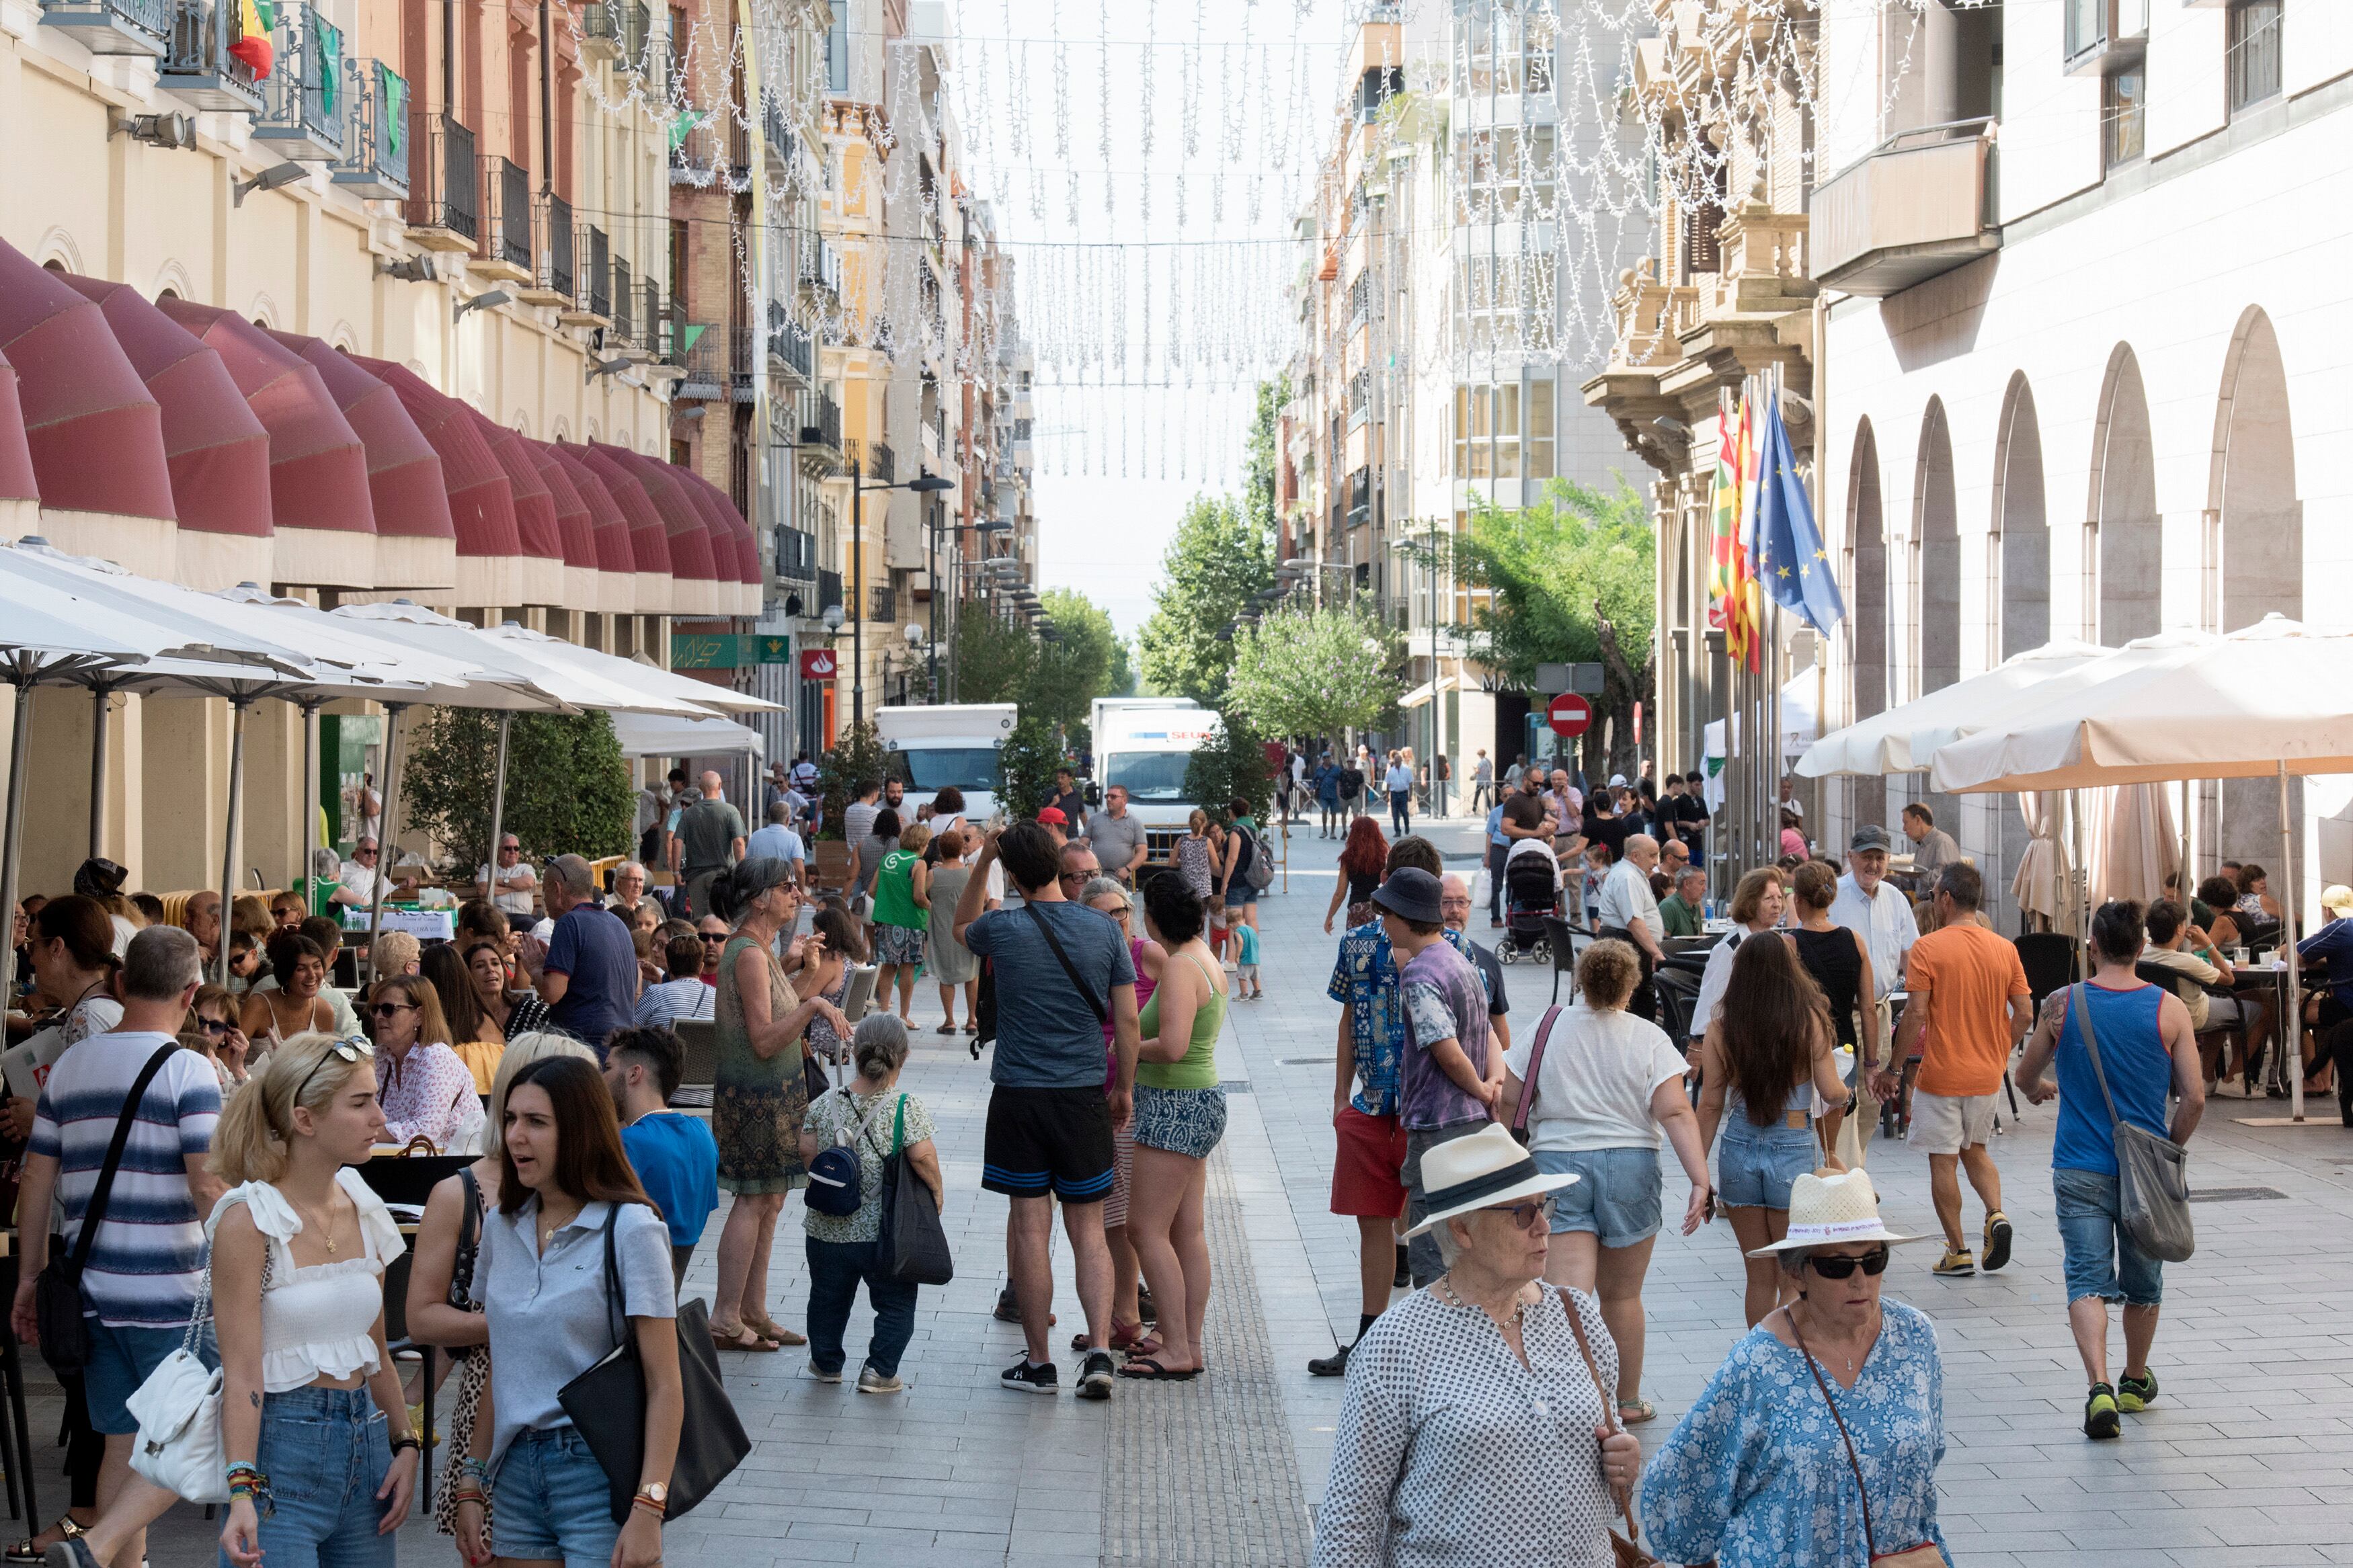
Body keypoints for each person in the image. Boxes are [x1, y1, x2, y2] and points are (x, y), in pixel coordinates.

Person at [1312, 1122, 1641, 1568]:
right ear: (1463, 1231)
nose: (1544, 1226)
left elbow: (1608, 1487)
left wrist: (1623, 1465)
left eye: (1545, 1207)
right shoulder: (1396, 1344)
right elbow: (1351, 1518)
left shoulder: (1576, 1315)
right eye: (1523, 1213)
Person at [11, 927, 225, 1568]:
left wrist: (29, 1280)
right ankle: (102, 1550)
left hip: (93, 1298)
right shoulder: (190, 1069)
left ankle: (113, 1563)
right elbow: (208, 1183)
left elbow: (37, 1179)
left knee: (120, 1445)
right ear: (192, 993)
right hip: (174, 1297)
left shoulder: (70, 1067)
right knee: (200, 1432)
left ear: (122, 982)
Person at [1642, 1169, 1948, 1568]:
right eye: (1838, 1267)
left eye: (1874, 1260)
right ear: (1796, 1272)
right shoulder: (1757, 1363)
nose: (1860, 1280)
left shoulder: (1915, 1337)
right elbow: (1683, 1477)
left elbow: (1930, 1450)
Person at [450, 1056, 682, 1568]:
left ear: (578, 1129)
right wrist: (472, 1480)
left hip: (598, 1471)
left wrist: (649, 1505)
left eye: (536, 1122)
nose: (515, 1136)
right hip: (515, 1476)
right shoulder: (502, 1227)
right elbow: (503, 1362)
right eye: (509, 1118)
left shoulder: (631, 1227)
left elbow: (665, 1381)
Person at [204, 1032, 420, 1568]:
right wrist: (240, 1491)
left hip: (366, 1455)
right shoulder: (248, 1219)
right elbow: (243, 1373)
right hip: (280, 1458)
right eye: (360, 1102)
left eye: (374, 1097)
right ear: (305, 1119)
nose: (380, 1117)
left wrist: (406, 1442)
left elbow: (376, 1349)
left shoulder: (362, 1201)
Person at [954, 821, 1142, 1399]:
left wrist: (983, 856)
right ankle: (1102, 1354)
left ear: (1012, 874)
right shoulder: (1103, 928)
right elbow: (1128, 1021)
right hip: (1085, 1094)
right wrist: (1124, 1089)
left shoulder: (1002, 927)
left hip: (1019, 1096)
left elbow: (959, 925)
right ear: (1060, 865)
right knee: (1089, 1229)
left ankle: (1039, 1362)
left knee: (1031, 1229)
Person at [2015, 899, 2205, 1440]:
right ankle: (2134, 1378)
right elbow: (2194, 1096)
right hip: (2147, 1166)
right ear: (2143, 946)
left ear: (2091, 945)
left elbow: (2025, 1074)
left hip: (2079, 1162)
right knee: (2145, 1281)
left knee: (2085, 1278)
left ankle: (2097, 1385)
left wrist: (2040, 1090)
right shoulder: (2169, 1009)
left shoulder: (2062, 1003)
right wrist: (2168, 1147)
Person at [1503, 939, 1709, 1426]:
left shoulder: (1546, 1027)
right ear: (1633, 985)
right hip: (1631, 1166)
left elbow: (1509, 1102)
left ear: (1580, 980)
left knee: (1567, 1296)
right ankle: (1626, 1401)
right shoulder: (1648, 1036)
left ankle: (1567, 1399)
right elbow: (1676, 1109)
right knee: (1623, 1295)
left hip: (1558, 1166)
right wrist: (1700, 1179)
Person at [403, 1032, 596, 1538]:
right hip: (496, 1397)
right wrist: (512, 1319)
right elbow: (421, 1317)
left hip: (589, 1400)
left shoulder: (602, 1196)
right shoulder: (461, 1193)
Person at [1312, 841, 1472, 1376]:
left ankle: (1413, 1336)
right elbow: (1347, 1017)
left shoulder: (1444, 951)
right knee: (1390, 1222)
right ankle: (1379, 1335)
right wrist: (1339, 1098)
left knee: (1411, 1223)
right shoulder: (1372, 944)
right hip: (1389, 1105)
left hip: (1414, 1105)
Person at [709, 858, 850, 1352]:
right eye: (788, 886)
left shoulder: (762, 950)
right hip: (754, 1097)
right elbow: (765, 1039)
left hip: (772, 1095)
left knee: (770, 1199)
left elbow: (777, 1010)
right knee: (753, 1198)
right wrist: (814, 1004)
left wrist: (800, 971)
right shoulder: (748, 953)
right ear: (758, 898)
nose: (798, 894)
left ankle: (753, 1309)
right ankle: (726, 1315)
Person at [1884, 862, 2032, 1280]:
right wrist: (2000, 1048)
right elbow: (2024, 1012)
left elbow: (1914, 1013)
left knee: (1943, 1162)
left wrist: (1896, 1067)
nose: (1932, 902)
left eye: (1933, 895)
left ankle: (1958, 1250)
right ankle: (1996, 1214)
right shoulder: (2006, 949)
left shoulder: (1928, 949)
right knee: (1977, 1151)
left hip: (1941, 1075)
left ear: (1946, 898)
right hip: (1986, 1075)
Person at [1695, 933, 1852, 1325]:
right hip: (1794, 1147)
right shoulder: (1808, 1021)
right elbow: (1831, 1091)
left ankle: (1759, 1360)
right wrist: (1847, 1095)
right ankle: (1789, 1358)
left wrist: (1698, 1173)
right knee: (1791, 1275)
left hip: (1739, 1147)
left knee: (1757, 1277)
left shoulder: (1721, 1027)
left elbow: (1711, 1104)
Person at [795, 1014, 943, 1394]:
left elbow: (808, 1154)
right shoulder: (905, 1107)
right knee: (895, 1303)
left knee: (827, 1300)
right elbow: (923, 1158)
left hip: (827, 1228)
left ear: (855, 1054)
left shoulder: (825, 1102)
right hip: (884, 1232)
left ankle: (826, 1363)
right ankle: (880, 1370)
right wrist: (937, 1193)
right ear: (903, 1057)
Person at [1119, 876, 1229, 1381]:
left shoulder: (1182, 967)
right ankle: (1184, 1339)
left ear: (1154, 917)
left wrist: (1126, 1050)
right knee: (1187, 1230)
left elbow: (1174, 1044)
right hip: (1196, 1099)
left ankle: (1178, 1348)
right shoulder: (1203, 956)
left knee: (1144, 1227)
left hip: (1175, 1103)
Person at [1380, 866, 1505, 1290]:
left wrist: (1479, 1086)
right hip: (1472, 1121)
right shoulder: (1458, 959)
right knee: (1469, 1240)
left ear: (1403, 916)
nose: (1383, 923)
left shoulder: (1419, 972)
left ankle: (1442, 1345)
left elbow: (1444, 1047)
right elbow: (1489, 1031)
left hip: (1438, 1125)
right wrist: (1494, 1084)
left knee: (1436, 1252)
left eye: (1387, 914)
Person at [1075, 878, 1160, 1354]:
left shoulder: (1149, 955)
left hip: (1135, 1097)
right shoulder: (1085, 955)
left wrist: (1148, 1052)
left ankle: (1134, 1316)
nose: (1115, 922)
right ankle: (1121, 1313)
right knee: (1108, 1213)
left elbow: (1192, 1006)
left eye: (1121, 912)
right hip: (1093, 1094)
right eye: (1103, 915)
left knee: (1130, 1214)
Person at [606, 1025, 721, 1290]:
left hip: (625, 1294)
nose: (603, 1078)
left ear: (634, 1074)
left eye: (608, 1068)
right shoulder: (702, 1134)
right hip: (668, 1289)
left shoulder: (629, 1144)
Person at [1788, 860, 1880, 1163]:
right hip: (1844, 1048)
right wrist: (1871, 1064)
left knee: (1801, 1140)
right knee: (1831, 1145)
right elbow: (1868, 1008)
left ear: (1798, 900)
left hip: (1799, 1050)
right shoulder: (1855, 941)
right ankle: (1842, 1199)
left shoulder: (1789, 944)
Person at [2141, 897, 2256, 1091]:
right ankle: (2232, 1079)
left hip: (2153, 1013)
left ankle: (2208, 1079)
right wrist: (2209, 944)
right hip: (2192, 1015)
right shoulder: (2188, 962)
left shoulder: (2141, 954)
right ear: (2179, 929)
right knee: (2263, 1008)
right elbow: (2229, 979)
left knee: (2223, 1007)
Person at [532, 853, 638, 1059]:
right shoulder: (618, 923)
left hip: (583, 1050)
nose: (544, 898)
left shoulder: (569, 923)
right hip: (620, 1050)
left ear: (557, 889)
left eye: (544, 890)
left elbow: (552, 992)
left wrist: (536, 967)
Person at [369, 973, 484, 1151]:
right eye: (375, 1009)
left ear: (419, 1016)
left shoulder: (436, 1057)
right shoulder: (381, 1057)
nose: (378, 1017)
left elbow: (426, 1129)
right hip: (404, 1161)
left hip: (454, 1163)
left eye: (388, 1009)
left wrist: (366, 1131)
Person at [1831, 823, 1920, 1045]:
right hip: (1840, 1017)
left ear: (1889, 860)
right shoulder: (1831, 896)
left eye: (1880, 858)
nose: (1874, 865)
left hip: (1881, 1013)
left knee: (1878, 1079)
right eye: (1867, 857)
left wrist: (1915, 1005)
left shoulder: (1896, 899)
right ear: (1851, 857)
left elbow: (1910, 954)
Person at [1687, 867, 1787, 1052]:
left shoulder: (1778, 942)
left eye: (1779, 898)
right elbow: (1711, 1000)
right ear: (1750, 903)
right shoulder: (1731, 947)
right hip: (1739, 1041)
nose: (1777, 905)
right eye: (1769, 899)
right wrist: (1697, 1046)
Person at [1593, 833, 1666, 1020]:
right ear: (1635, 856)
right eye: (1652, 855)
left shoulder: (1634, 874)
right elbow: (1634, 921)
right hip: (1626, 942)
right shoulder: (1627, 876)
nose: (1655, 861)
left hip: (1632, 944)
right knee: (1628, 1002)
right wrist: (1655, 952)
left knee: (1640, 1000)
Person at [1439, 874, 1512, 1055]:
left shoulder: (1487, 960)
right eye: (1446, 902)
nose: (1455, 910)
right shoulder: (1417, 958)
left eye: (1462, 902)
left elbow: (1501, 1035)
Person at [870, 820, 930, 1025]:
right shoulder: (918, 863)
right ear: (922, 843)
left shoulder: (887, 859)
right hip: (911, 922)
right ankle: (904, 1016)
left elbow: (871, 891)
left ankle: (885, 1011)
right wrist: (932, 908)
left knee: (887, 967)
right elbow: (919, 896)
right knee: (908, 968)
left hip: (885, 921)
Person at [243, 930, 337, 1055]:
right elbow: (225, 1059)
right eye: (301, 969)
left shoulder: (324, 1011)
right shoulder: (259, 1006)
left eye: (317, 966)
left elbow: (327, 1065)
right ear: (285, 973)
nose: (312, 975)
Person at [677, 770, 748, 919]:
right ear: (720, 786)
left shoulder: (689, 814)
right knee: (722, 918)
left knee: (699, 920)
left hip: (696, 876)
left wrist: (676, 872)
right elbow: (739, 843)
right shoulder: (730, 811)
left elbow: (677, 842)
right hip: (722, 874)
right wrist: (741, 870)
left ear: (700, 788)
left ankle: (702, 941)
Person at [465, 936, 551, 1042]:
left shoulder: (534, 1012)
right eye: (480, 966)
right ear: (468, 975)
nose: (490, 970)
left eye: (495, 963)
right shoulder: (463, 1021)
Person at [637, 930, 718, 1028]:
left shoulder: (654, 993)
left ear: (670, 966)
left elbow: (634, 1030)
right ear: (701, 967)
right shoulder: (716, 996)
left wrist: (638, 988)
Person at [1217, 798, 1266, 961]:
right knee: (1251, 919)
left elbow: (1232, 858)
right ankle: (1252, 954)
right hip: (1253, 879)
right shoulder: (1253, 828)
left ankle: (1231, 960)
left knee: (1233, 922)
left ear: (1232, 812)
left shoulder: (1237, 831)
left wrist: (1225, 882)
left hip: (1238, 881)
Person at [1325, 814, 1389, 936]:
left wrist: (1330, 916)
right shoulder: (1382, 858)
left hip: (1356, 909)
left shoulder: (1348, 859)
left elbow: (1340, 894)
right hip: (1377, 909)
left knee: (1355, 950)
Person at [475, 833, 538, 919]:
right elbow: (482, 890)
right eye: (508, 848)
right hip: (497, 918)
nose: (513, 851)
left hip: (523, 917)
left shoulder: (526, 868)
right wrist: (518, 887)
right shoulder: (488, 868)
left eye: (516, 848)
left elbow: (529, 883)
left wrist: (500, 881)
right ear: (498, 851)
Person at [746, 800, 807, 886]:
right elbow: (799, 870)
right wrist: (801, 893)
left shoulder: (756, 835)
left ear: (770, 818)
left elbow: (747, 864)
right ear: (788, 819)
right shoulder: (794, 839)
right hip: (785, 889)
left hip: (759, 888)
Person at [1899, 803, 1961, 878]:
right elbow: (1915, 883)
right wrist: (1891, 880)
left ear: (1918, 820)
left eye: (1906, 823)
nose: (1904, 829)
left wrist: (1919, 875)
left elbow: (1945, 880)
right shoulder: (1921, 846)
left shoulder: (1943, 843)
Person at [1660, 864, 1708, 938]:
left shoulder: (1695, 906)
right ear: (1687, 884)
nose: (1705, 889)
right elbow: (1663, 943)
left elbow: (1701, 936)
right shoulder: (1668, 907)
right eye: (1701, 884)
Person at [1384, 751, 1414, 836]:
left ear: (1401, 761)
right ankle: (1397, 831)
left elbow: (1411, 783)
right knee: (1395, 814)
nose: (1397, 763)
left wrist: (1410, 795)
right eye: (1395, 762)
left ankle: (1407, 826)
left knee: (1405, 812)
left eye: (1398, 761)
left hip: (1403, 794)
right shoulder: (1391, 771)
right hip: (1394, 794)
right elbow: (1388, 784)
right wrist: (1387, 796)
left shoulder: (1407, 770)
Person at [1315, 755, 1342, 837]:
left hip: (1334, 794)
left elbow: (1341, 779)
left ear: (1331, 758)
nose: (1327, 759)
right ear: (1323, 759)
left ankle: (1333, 832)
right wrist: (1313, 788)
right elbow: (1314, 780)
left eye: (1328, 758)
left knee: (1333, 814)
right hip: (1324, 794)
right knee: (1324, 811)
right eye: (1325, 758)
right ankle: (1324, 830)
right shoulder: (1319, 769)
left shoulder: (1337, 769)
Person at [1469, 749, 1493, 813]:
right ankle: (1491, 810)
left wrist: (1474, 773)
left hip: (1480, 782)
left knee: (1477, 796)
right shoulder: (1489, 761)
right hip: (1487, 781)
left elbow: (1478, 771)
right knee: (1487, 797)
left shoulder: (1481, 762)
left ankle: (1474, 810)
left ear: (1480, 755)